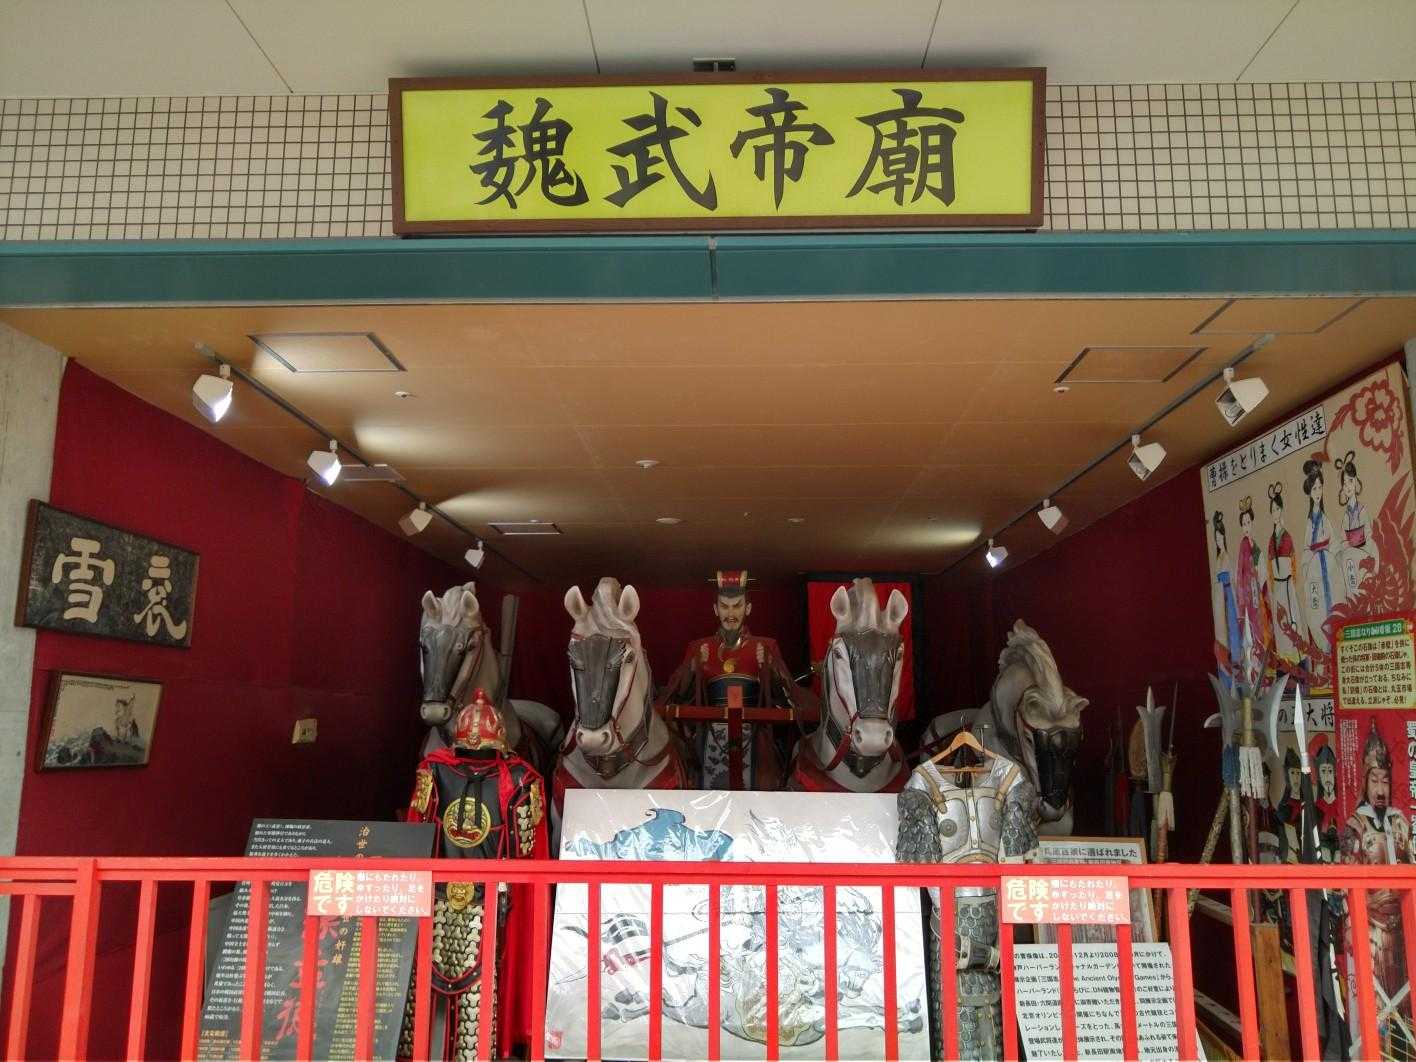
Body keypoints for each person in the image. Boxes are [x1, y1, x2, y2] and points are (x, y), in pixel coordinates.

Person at [661, 570, 809, 789]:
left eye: (737, 606)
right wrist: (692, 668)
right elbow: (677, 697)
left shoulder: (766, 645)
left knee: (766, 780)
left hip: (755, 733)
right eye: (725, 606)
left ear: (748, 608)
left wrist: (770, 668)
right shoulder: (699, 647)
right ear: (716, 609)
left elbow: (786, 699)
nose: (730, 613)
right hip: (710, 733)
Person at [1341, 720, 1414, 1053]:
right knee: (1375, 1011)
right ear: (1365, 781)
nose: (1381, 789)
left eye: (1385, 780)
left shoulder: (1400, 821)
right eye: (1375, 780)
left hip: (1402, 931)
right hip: (1371, 930)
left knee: (1405, 1010)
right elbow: (1346, 884)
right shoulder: (1355, 826)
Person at [1266, 483, 1307, 671]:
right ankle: (1284, 663)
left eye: (1277, 509)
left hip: (1287, 585)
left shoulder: (1286, 536)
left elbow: (1292, 562)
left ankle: (1298, 664)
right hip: (1278, 588)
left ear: (1281, 510)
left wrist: (1289, 582)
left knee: (1292, 622)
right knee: (1280, 628)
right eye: (1273, 510)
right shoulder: (1271, 539)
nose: (1275, 513)